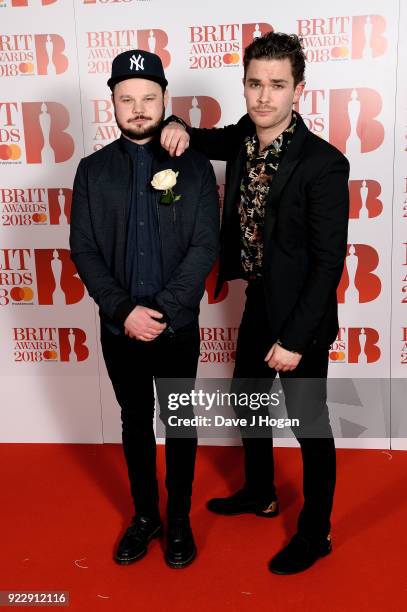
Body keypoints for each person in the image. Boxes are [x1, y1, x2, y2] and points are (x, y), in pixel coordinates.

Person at [161, 32, 349, 574]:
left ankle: (317, 533)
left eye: (277, 85)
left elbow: (327, 263)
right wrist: (177, 129)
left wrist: (293, 339)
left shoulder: (324, 165)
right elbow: (210, 140)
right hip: (261, 298)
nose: (264, 96)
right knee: (248, 401)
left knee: (311, 423)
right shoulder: (246, 134)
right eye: (254, 84)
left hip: (303, 318)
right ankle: (261, 492)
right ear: (244, 86)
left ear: (298, 90)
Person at [70, 49, 219, 569]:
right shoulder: (91, 171)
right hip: (120, 329)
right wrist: (123, 311)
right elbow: (84, 249)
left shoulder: (194, 166)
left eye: (149, 98)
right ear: (111, 102)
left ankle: (178, 518)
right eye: (126, 98)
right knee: (136, 423)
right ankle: (145, 517)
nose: (138, 108)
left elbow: (205, 245)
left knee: (179, 422)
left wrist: (164, 310)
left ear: (165, 101)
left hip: (177, 328)